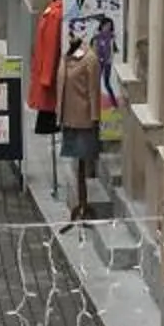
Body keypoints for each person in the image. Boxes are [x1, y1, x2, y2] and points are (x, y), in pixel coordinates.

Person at [58, 26, 103, 221]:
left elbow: (94, 91)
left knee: (83, 161)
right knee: (76, 162)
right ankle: (80, 203)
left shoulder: (90, 60)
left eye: (73, 34)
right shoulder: (66, 56)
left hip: (83, 120)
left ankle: (84, 205)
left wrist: (95, 118)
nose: (69, 38)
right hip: (68, 117)